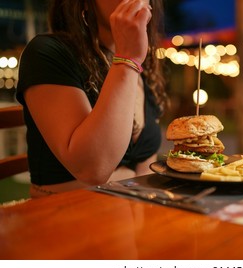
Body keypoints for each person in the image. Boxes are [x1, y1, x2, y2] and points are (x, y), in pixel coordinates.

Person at [16, 0, 168, 198]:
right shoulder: (49, 53)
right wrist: (128, 59)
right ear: (86, 3)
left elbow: (145, 172)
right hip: (65, 218)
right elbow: (93, 169)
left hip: (130, 215)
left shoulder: (143, 70)